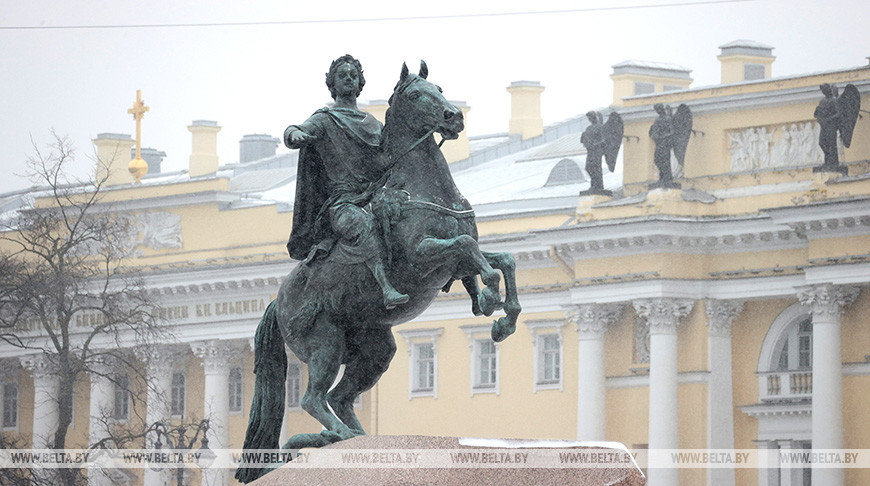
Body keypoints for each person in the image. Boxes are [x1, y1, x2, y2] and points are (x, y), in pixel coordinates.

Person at [284, 54, 409, 309]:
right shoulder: (325, 119)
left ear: (360, 82)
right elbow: (294, 130)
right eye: (343, 75)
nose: (349, 79)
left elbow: (385, 159)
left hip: (373, 196)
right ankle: (386, 288)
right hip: (343, 203)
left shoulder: (372, 123)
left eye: (353, 75)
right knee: (361, 224)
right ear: (333, 84)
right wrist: (294, 134)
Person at [814, 83, 841, 169]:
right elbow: (818, 113)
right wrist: (819, 117)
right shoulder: (822, 101)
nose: (823, 92)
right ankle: (828, 161)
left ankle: (832, 163)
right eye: (822, 91)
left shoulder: (834, 100)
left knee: (831, 144)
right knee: (822, 143)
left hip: (831, 126)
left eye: (824, 90)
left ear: (828, 90)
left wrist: (829, 119)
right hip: (824, 126)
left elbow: (839, 113)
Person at [649, 103, 675, 184]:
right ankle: (662, 176)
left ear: (661, 109)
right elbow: (654, 131)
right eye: (656, 110)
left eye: (658, 109)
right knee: (657, 159)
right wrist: (654, 135)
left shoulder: (668, 119)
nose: (657, 111)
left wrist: (663, 136)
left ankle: (667, 178)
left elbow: (672, 131)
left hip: (665, 143)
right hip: (659, 143)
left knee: (665, 160)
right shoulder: (657, 120)